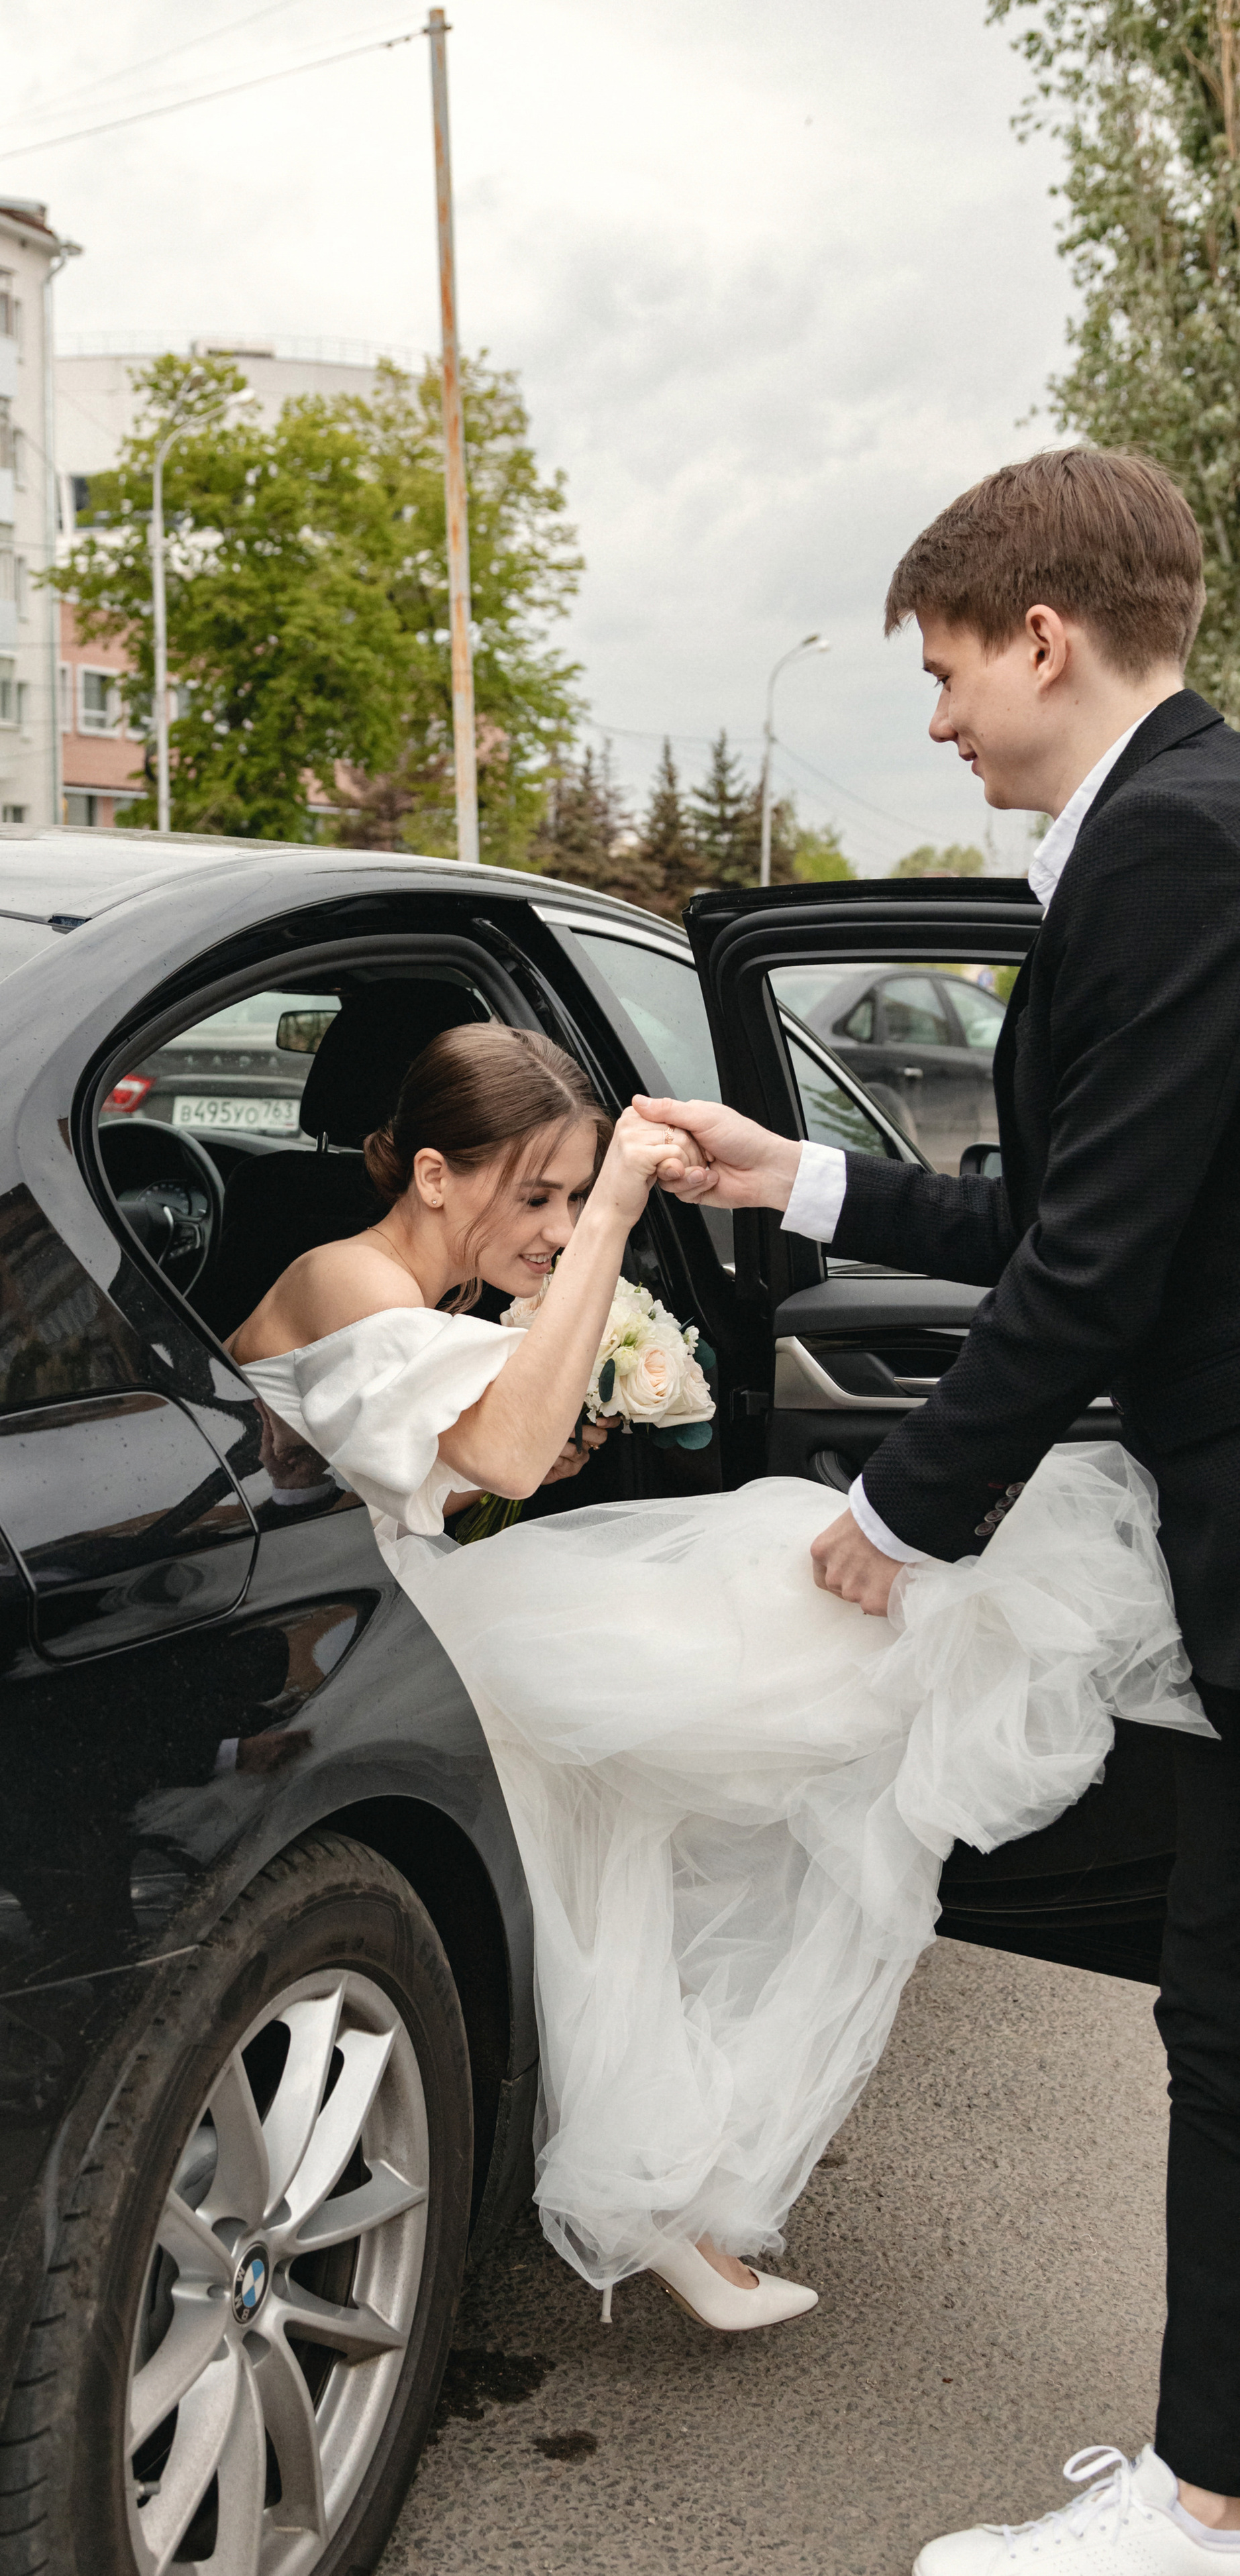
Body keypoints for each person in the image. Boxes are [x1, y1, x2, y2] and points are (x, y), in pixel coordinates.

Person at [228, 1016, 1204, 2338]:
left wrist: (516, 1444)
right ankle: (660, 2197)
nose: (556, 1227)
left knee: (640, 1824)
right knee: (797, 1617)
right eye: (537, 1196)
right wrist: (613, 1222)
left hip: (388, 1613)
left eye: (573, 1195)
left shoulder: (424, 1291)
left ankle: (661, 2197)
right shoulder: (345, 1275)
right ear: (432, 1174)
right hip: (355, 1637)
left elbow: (430, 1484)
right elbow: (497, 1458)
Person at [654, 447, 1240, 2566]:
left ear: (1044, 639)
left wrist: (901, 1518)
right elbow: (1059, 1212)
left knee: (1229, 2025)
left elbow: (1095, 1264)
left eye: (942, 669)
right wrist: (794, 1173)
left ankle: (1199, 2510)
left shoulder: (1171, 843)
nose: (934, 718)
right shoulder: (1180, 826)